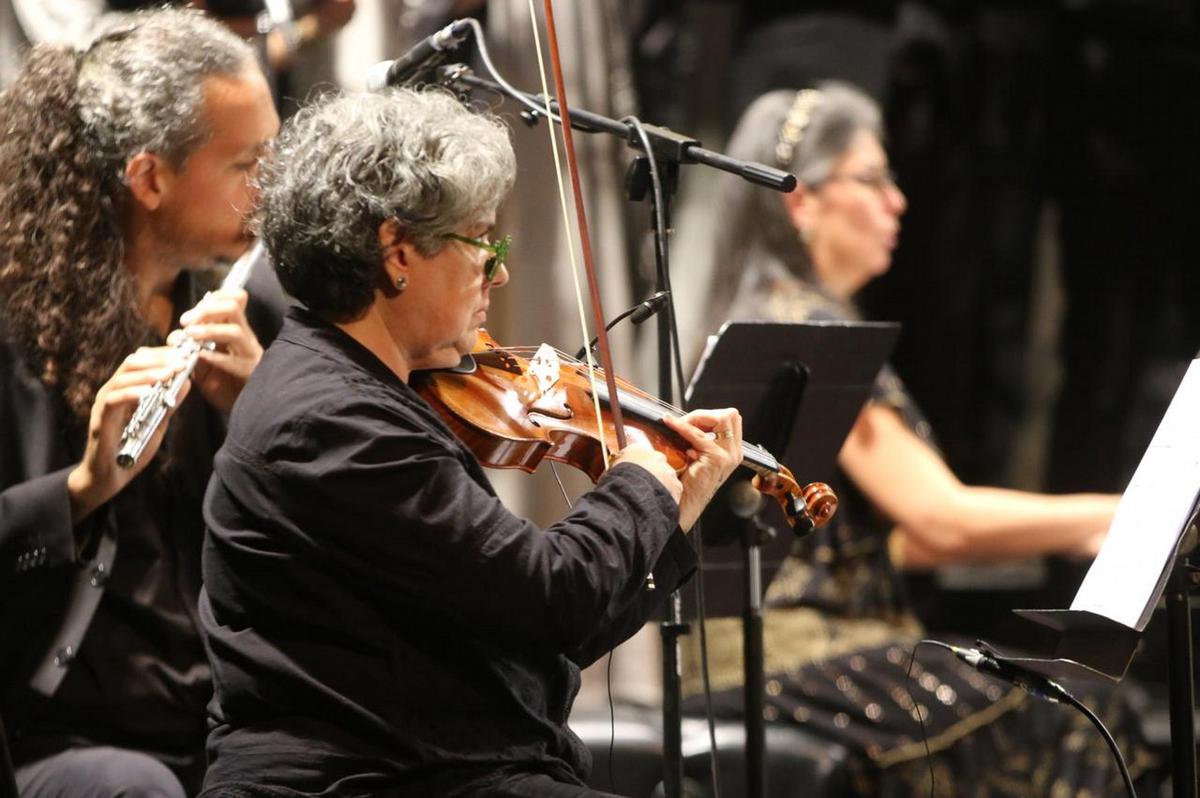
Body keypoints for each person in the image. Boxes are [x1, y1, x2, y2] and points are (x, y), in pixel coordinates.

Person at [196, 87, 744, 797]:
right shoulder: (333, 422)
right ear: (397, 252)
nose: (500, 269)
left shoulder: (365, 392)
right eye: (484, 240)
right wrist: (640, 483)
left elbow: (535, 632)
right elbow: (552, 597)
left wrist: (676, 508)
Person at [685, 84, 1156, 796]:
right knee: (1088, 712)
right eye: (872, 180)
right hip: (794, 651)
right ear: (800, 201)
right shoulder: (807, 330)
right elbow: (940, 517)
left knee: (1076, 699)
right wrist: (1123, 517)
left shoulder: (785, 318)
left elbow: (919, 539)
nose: (898, 201)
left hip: (797, 648)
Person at [0, 8, 281, 796]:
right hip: (61, 735)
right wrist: (81, 490)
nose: (269, 191)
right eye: (245, 165)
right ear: (150, 177)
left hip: (215, 723)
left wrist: (262, 416)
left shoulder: (246, 316)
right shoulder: (16, 334)